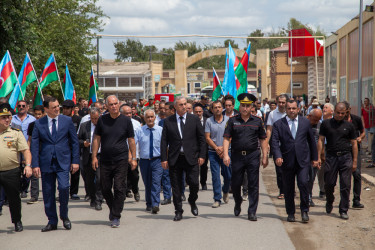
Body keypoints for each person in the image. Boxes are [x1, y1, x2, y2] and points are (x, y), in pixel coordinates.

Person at [31, 97, 80, 232]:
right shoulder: (39, 123)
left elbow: (75, 142)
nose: (58, 109)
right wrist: (34, 164)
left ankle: (64, 216)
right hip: (46, 162)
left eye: (58, 106)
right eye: (54, 107)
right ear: (46, 109)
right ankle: (52, 221)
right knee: (48, 192)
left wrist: (75, 161)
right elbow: (34, 145)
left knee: (64, 188)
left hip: (63, 161)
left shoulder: (67, 121)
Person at [92, 95, 137, 228]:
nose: (113, 106)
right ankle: (113, 209)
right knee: (105, 187)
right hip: (105, 159)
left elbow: (131, 140)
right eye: (110, 104)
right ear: (106, 106)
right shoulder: (102, 120)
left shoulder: (126, 121)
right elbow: (96, 139)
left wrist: (133, 158)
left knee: (119, 187)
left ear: (119, 104)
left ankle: (116, 215)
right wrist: (94, 156)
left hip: (121, 159)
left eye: (115, 103)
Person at [223, 93, 268, 221]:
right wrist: (226, 154)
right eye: (243, 105)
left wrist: (265, 156)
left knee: (253, 184)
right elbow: (226, 138)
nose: (245, 108)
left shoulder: (258, 121)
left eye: (248, 106)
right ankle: (238, 202)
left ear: (251, 107)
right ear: (240, 106)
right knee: (236, 183)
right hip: (237, 156)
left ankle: (252, 211)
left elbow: (263, 139)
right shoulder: (232, 120)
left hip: (253, 156)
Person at [271, 100, 318, 223]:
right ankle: (290, 212)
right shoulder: (278, 124)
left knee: (303, 183)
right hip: (287, 161)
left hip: (303, 161)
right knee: (288, 188)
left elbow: (311, 141)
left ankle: (304, 211)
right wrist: (277, 156)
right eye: (289, 108)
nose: (291, 111)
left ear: (298, 109)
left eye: (293, 108)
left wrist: (315, 158)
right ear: (285, 110)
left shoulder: (305, 122)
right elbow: (275, 143)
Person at [161, 96, 206, 221]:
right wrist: (164, 159)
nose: (184, 106)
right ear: (175, 107)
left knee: (194, 184)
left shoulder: (194, 119)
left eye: (185, 104)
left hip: (192, 157)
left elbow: (202, 139)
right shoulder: (168, 121)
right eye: (180, 104)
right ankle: (178, 211)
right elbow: (164, 141)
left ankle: (192, 200)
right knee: (176, 187)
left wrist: (202, 155)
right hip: (175, 158)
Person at [317, 103, 358, 220]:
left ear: (346, 113)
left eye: (342, 113)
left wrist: (354, 161)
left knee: (345, 184)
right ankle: (329, 200)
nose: (340, 115)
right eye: (338, 113)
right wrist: (319, 156)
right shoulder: (326, 124)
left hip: (346, 157)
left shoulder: (349, 126)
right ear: (334, 111)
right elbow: (320, 140)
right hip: (331, 157)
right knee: (329, 183)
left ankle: (343, 209)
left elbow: (354, 143)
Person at [0, 103, 32, 232]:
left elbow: (25, 151)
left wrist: (28, 165)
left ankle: (17, 220)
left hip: (11, 171)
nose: (7, 119)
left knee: (14, 199)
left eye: (9, 117)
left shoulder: (16, 133)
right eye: (3, 117)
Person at [135, 109, 163, 213]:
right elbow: (134, 144)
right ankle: (149, 204)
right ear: (145, 118)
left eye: (152, 117)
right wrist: (134, 157)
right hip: (144, 161)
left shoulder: (161, 130)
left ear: (155, 118)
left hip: (157, 160)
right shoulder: (140, 130)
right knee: (148, 183)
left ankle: (155, 204)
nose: (150, 119)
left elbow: (166, 146)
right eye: (148, 117)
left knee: (156, 182)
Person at [205, 100, 232, 208]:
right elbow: (207, 137)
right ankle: (217, 199)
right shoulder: (209, 121)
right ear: (212, 109)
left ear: (222, 108)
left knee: (228, 175)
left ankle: (225, 190)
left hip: (226, 151)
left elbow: (231, 136)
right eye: (215, 107)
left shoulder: (229, 120)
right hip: (213, 152)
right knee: (215, 176)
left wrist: (223, 148)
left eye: (219, 107)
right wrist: (216, 148)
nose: (217, 109)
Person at [78, 107, 103, 211]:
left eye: (96, 118)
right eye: (93, 118)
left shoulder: (104, 125)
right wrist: (83, 143)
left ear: (100, 116)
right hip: (88, 156)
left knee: (99, 179)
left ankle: (98, 200)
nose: (95, 121)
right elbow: (77, 139)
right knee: (89, 180)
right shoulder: (84, 125)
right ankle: (92, 198)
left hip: (101, 156)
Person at [11, 100, 35, 198]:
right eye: (19, 106)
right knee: (16, 170)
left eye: (23, 106)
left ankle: (24, 189)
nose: (21, 107)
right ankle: (16, 188)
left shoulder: (32, 119)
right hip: (14, 148)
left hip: (27, 148)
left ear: (27, 107)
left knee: (27, 169)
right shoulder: (11, 119)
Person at [344, 101, 365, 209]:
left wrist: (360, 138)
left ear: (349, 109)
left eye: (346, 111)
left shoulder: (356, 119)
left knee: (356, 174)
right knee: (345, 177)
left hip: (355, 150)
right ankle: (345, 200)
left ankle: (356, 200)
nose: (344, 114)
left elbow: (363, 132)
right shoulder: (339, 120)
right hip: (344, 152)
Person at [266, 94, 288, 199]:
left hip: (290, 146)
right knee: (279, 170)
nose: (281, 104)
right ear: (277, 102)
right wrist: (266, 143)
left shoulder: (291, 112)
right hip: (277, 146)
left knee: (291, 169)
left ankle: (290, 189)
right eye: (280, 102)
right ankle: (282, 191)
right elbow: (269, 129)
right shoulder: (272, 114)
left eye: (283, 102)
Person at [120, 104, 141, 201]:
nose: (128, 115)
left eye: (130, 113)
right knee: (122, 175)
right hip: (121, 153)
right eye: (126, 113)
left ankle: (135, 190)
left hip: (134, 154)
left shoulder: (136, 123)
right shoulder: (118, 123)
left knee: (134, 175)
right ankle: (123, 192)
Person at [62, 99, 82, 200]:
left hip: (74, 148)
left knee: (75, 171)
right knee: (63, 171)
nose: (65, 110)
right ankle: (63, 191)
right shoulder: (59, 119)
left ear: (72, 109)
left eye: (67, 108)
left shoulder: (77, 120)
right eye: (63, 108)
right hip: (62, 149)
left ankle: (73, 192)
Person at [26, 105, 45, 204]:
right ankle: (34, 196)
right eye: (36, 114)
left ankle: (48, 195)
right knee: (34, 175)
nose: (37, 116)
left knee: (47, 175)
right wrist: (27, 152)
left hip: (45, 153)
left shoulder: (47, 124)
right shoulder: (32, 125)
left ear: (43, 114)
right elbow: (29, 140)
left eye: (39, 114)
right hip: (34, 152)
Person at [158, 102, 174, 205]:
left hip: (177, 152)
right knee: (166, 175)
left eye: (166, 109)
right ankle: (167, 196)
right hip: (166, 152)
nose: (164, 111)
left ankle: (181, 193)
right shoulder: (161, 122)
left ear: (172, 110)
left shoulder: (179, 121)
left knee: (179, 175)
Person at [306, 108, 323, 207]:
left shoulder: (320, 125)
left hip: (315, 156)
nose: (316, 121)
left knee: (312, 177)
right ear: (309, 116)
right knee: (304, 178)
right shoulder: (303, 123)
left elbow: (321, 141)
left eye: (318, 119)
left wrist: (319, 157)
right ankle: (306, 196)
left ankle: (309, 197)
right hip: (303, 155)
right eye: (315, 119)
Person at [193, 103, 208, 190]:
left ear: (202, 112)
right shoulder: (190, 120)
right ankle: (194, 183)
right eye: (196, 112)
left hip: (204, 147)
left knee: (204, 166)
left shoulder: (207, 121)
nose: (198, 113)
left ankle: (203, 182)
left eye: (200, 111)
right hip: (194, 147)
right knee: (194, 166)